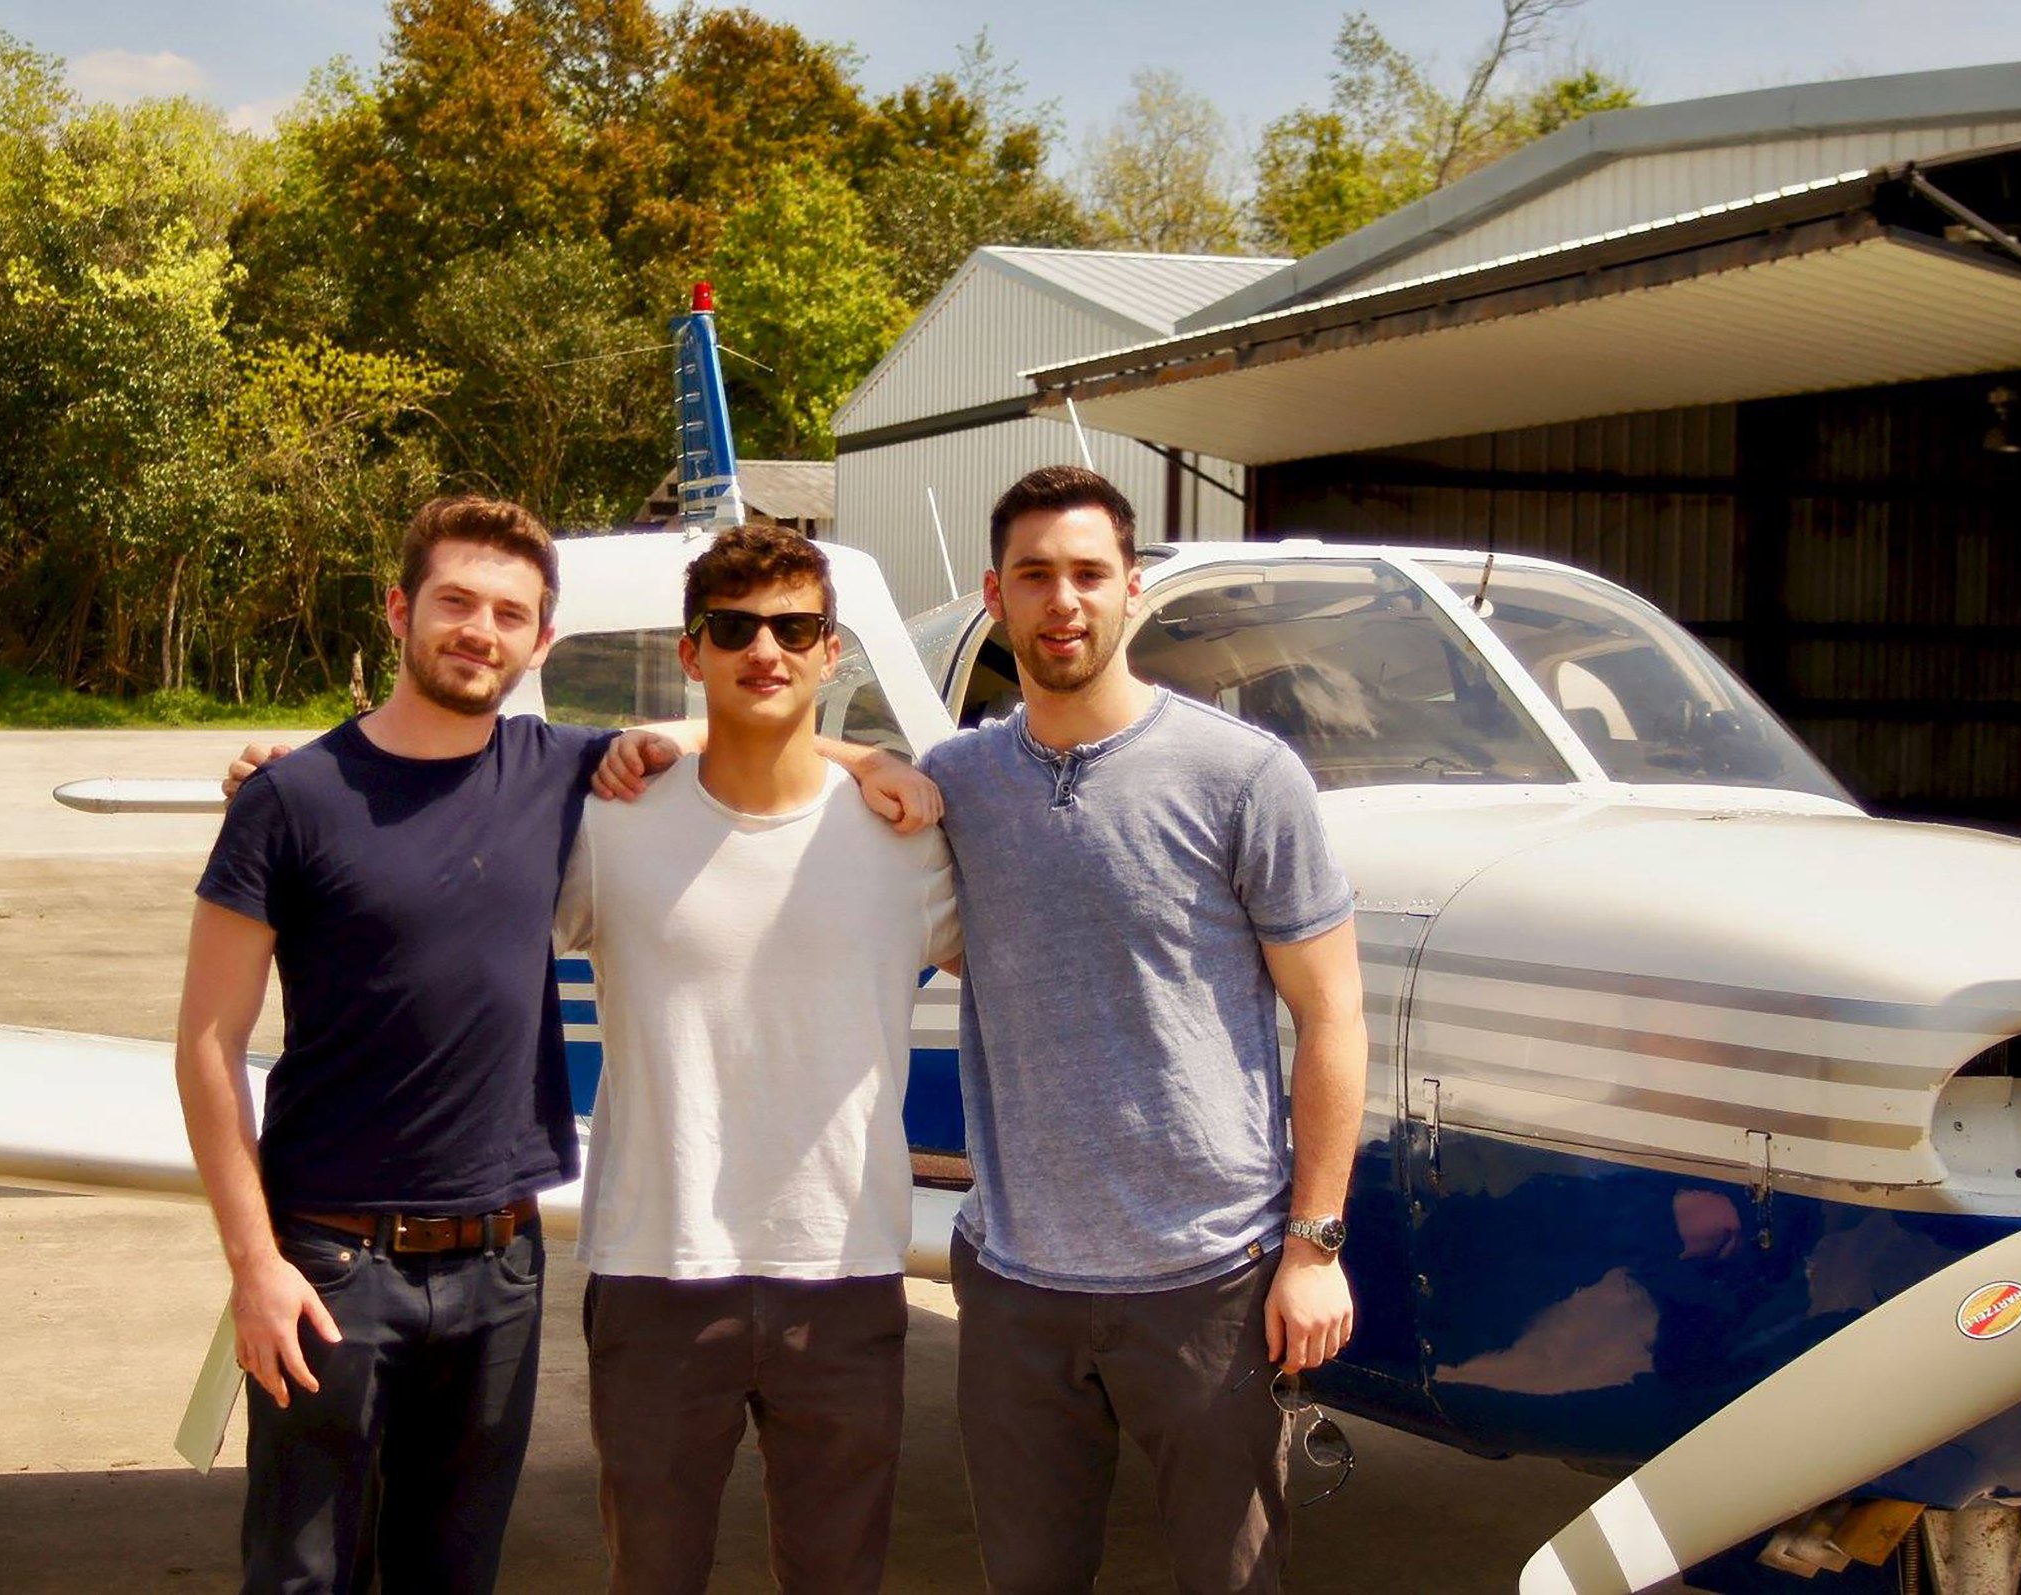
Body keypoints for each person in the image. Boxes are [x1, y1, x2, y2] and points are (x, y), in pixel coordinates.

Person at [192, 500, 934, 1591]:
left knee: (455, 1566)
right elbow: (207, 1042)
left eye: (508, 612)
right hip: (340, 1261)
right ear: (399, 611)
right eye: (454, 602)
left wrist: (862, 751)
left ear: (541, 642)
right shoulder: (310, 800)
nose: (478, 630)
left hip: (503, 1264)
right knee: (304, 1570)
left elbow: (738, 724)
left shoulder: (564, 774)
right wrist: (255, 1262)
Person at [923, 465, 1368, 1594]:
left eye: (1086, 573)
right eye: (1034, 575)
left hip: (1207, 1281)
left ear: (1131, 590)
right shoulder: (954, 782)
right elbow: (795, 782)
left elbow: (1332, 1011)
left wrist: (1313, 1245)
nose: (1061, 599)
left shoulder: (1245, 774)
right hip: (1016, 1283)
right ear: (997, 595)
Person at [558, 525, 958, 1593]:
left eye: (794, 627)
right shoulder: (609, 821)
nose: (765, 651)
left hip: (847, 1272)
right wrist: (284, 772)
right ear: (692, 655)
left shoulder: (909, 836)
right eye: (733, 629)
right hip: (654, 1266)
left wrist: (873, 757)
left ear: (834, 652)